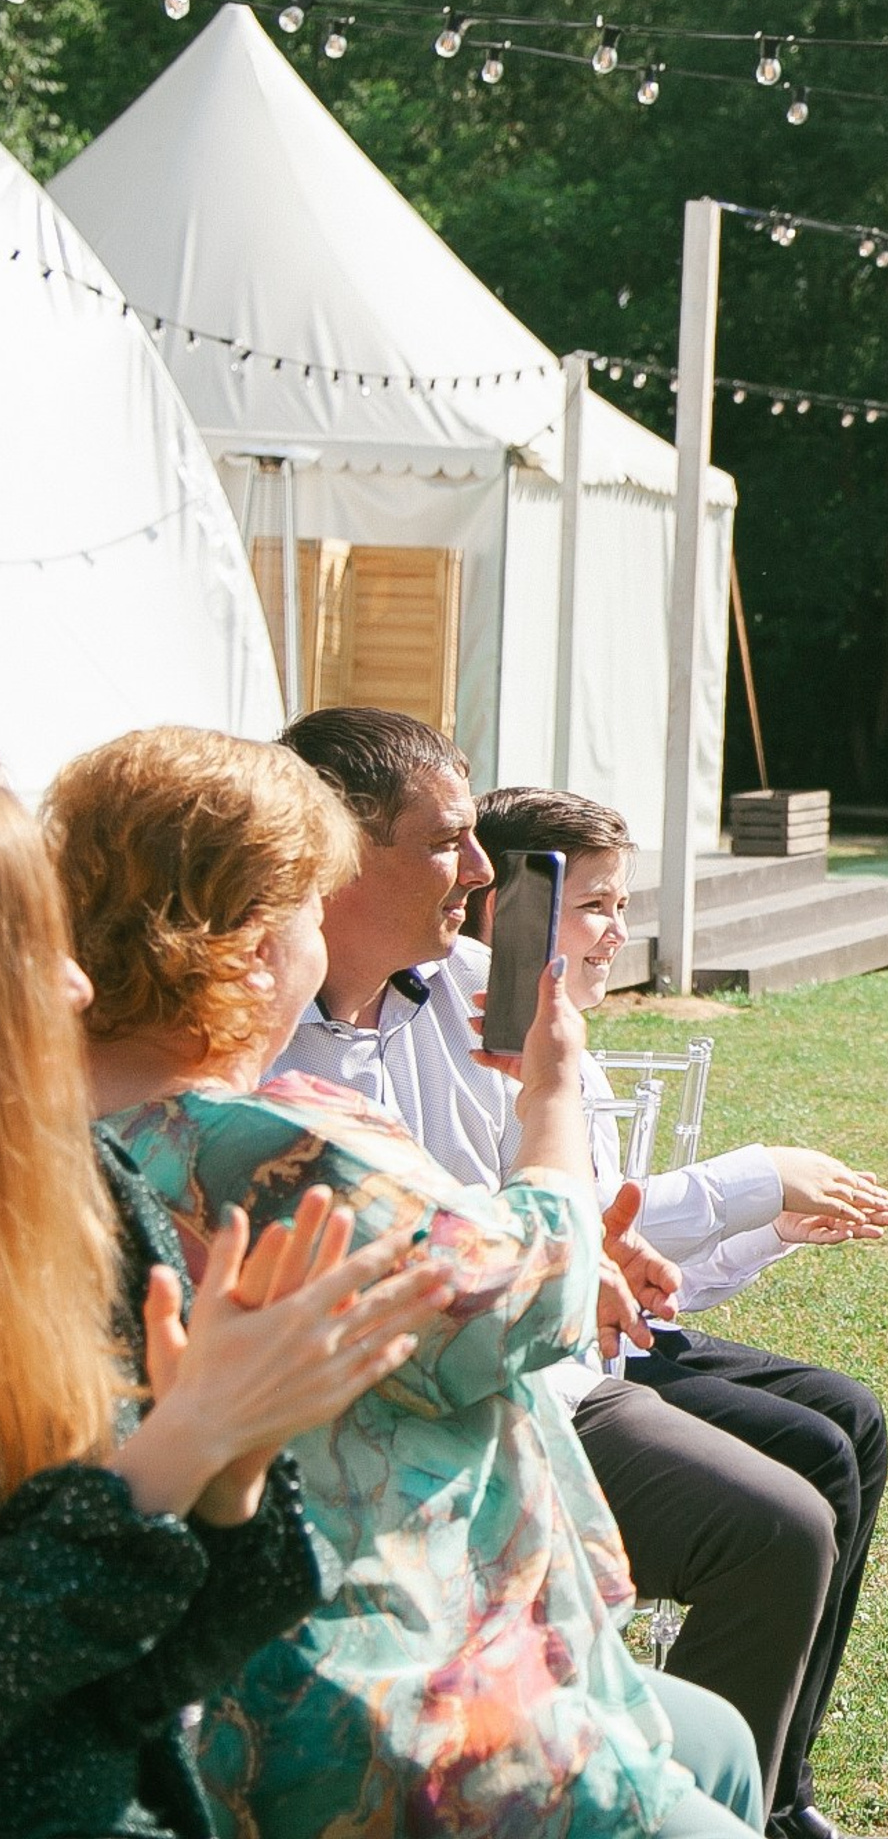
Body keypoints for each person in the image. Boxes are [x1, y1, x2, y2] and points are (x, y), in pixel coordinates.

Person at [53, 727, 766, 1838]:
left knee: (716, 1738)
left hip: (223, 1662)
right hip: (380, 1681)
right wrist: (552, 1103)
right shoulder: (263, 1141)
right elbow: (524, 1297)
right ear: (246, 941)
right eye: (309, 899)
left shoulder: (56, 1139)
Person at [270, 707, 844, 1839]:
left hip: (532, 1370)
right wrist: (573, 1232)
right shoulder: (256, 1051)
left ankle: (732, 1798)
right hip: (430, 1401)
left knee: (824, 1452)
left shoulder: (488, 985)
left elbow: (567, 1212)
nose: (482, 872)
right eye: (446, 843)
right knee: (779, 1517)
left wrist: (590, 1234)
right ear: (330, 855)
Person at [0, 781, 448, 1839]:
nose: (73, 985)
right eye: (27, 945)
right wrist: (178, 1448)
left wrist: (235, 1466)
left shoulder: (77, 1179)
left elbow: (140, 1684)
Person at [470, 785, 888, 1839]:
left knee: (851, 1418)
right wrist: (759, 1175)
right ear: (511, 906)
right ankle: (713, 1800)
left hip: (599, 1339)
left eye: (624, 905)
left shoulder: (563, 1030)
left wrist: (765, 1232)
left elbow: (632, 1258)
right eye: (596, 906)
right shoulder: (481, 1042)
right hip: (541, 1361)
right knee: (807, 1470)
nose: (620, 931)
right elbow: (565, 1238)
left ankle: (779, 1779)